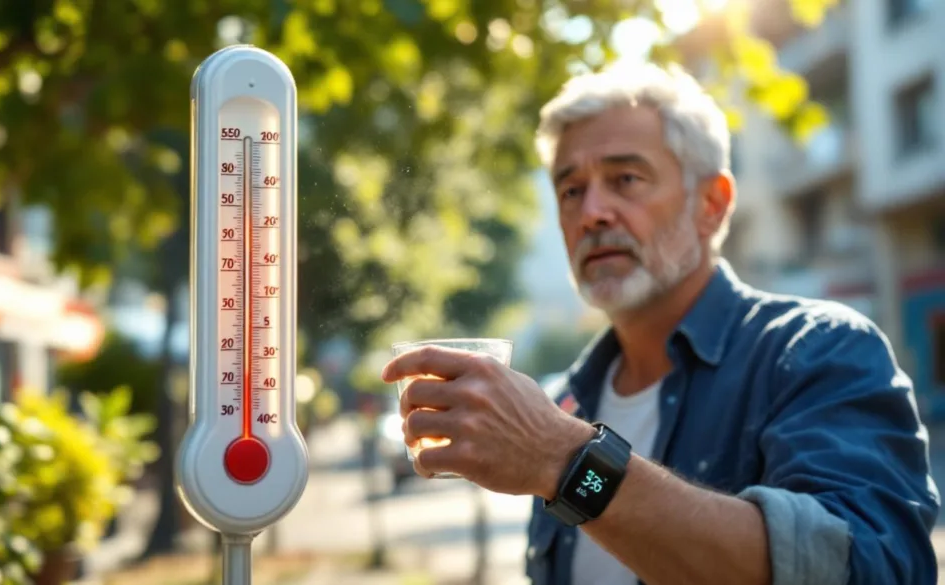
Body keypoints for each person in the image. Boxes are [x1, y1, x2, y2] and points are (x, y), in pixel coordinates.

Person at [381, 60, 941, 585]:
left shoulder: (818, 351)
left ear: (712, 204)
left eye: (626, 179)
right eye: (571, 190)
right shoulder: (567, 400)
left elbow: (874, 568)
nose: (591, 213)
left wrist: (566, 461)